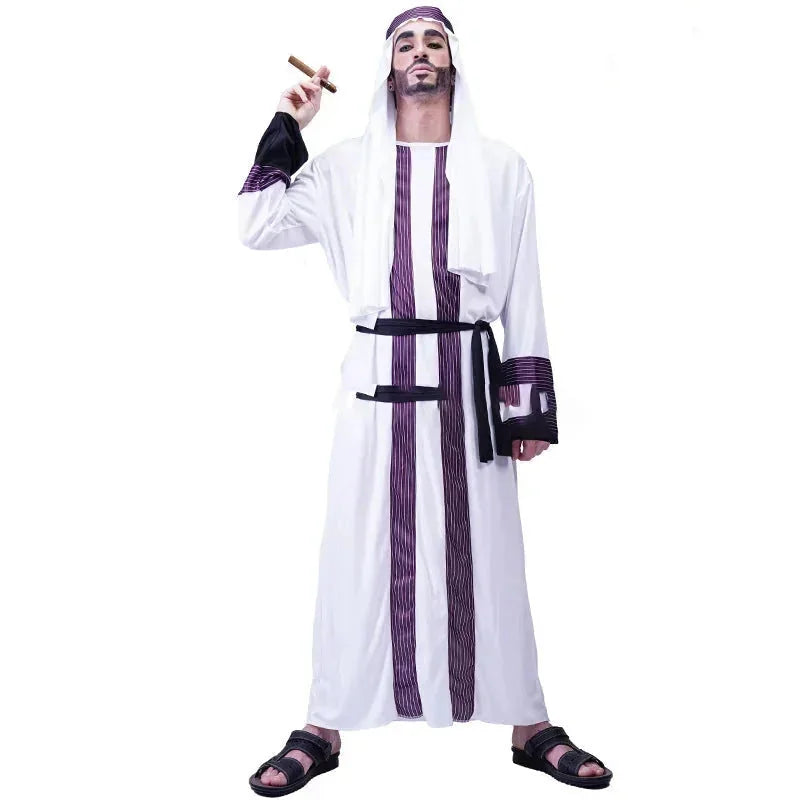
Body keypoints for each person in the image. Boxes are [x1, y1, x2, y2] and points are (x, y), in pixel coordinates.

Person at [237, 7, 612, 794]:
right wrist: (289, 123)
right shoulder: (345, 169)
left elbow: (525, 288)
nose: (419, 52)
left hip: (466, 387)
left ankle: (530, 724)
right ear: (387, 68)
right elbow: (258, 223)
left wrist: (525, 406)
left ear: (452, 62)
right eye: (405, 42)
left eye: (433, 41)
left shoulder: (501, 169)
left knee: (492, 558)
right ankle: (322, 725)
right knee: (356, 553)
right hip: (374, 385)